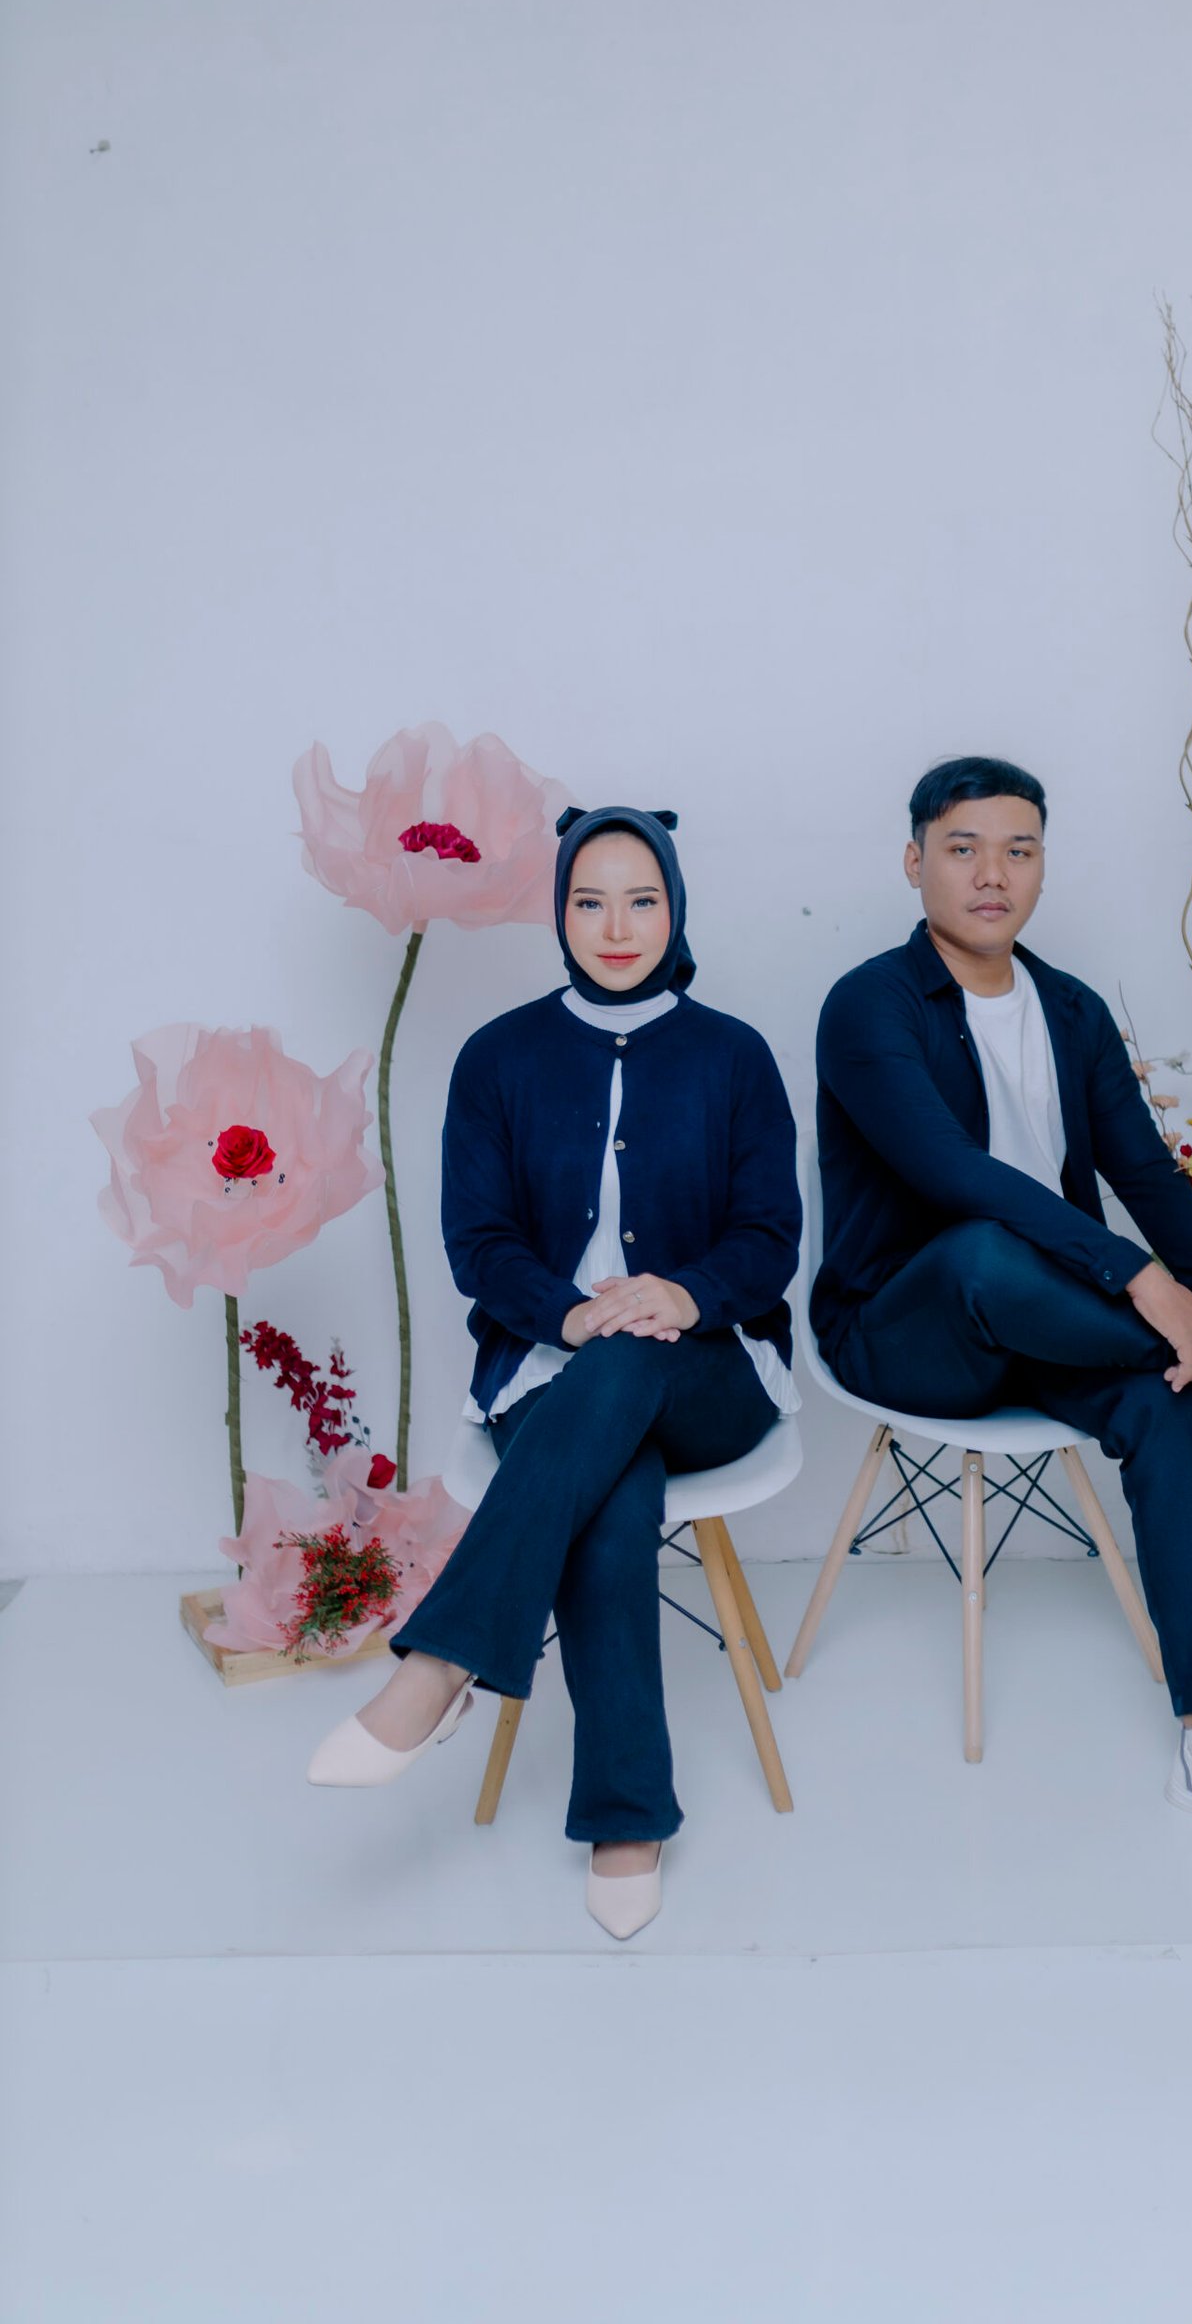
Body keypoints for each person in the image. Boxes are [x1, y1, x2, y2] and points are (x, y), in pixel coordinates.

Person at [813, 755, 1192, 1871]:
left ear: (1043, 866)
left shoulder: (1072, 1011)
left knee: (1166, 1397)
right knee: (985, 1248)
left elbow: (1146, 1174)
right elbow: (953, 1174)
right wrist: (1141, 1279)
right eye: (962, 849)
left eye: (1019, 850)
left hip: (1055, 1325)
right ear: (913, 862)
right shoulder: (868, 1005)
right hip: (906, 1329)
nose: (992, 875)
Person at [307, 803, 802, 1940]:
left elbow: (771, 1236)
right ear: (560, 914)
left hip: (711, 1373)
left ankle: (439, 1668)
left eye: (642, 901)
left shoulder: (734, 1055)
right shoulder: (499, 1058)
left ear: (675, 909)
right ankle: (628, 1817)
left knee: (630, 1370)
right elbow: (479, 1244)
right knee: (612, 1494)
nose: (616, 928)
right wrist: (573, 1316)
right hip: (549, 1370)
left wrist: (683, 1295)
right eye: (590, 902)